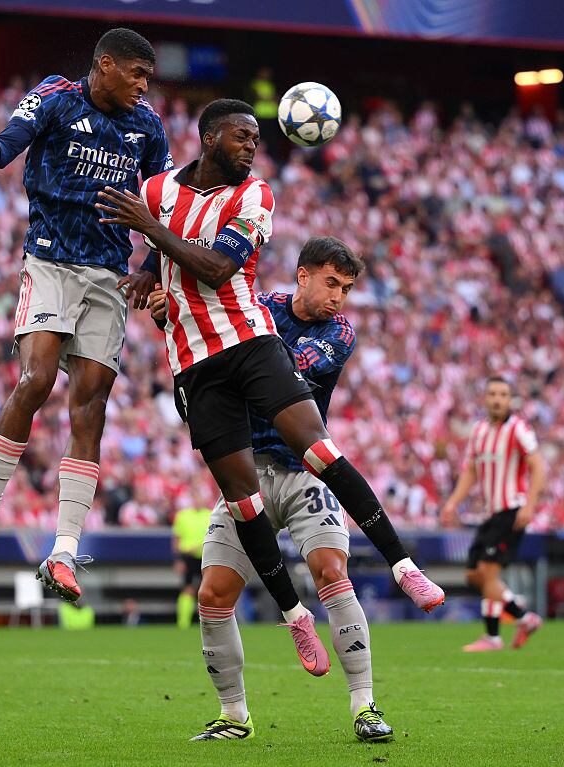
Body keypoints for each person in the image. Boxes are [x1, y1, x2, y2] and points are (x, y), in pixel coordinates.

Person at [98, 99, 444, 679]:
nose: (252, 148)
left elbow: (216, 269)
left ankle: (403, 566)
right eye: (243, 137)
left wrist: (151, 234)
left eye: (257, 140)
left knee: (320, 451)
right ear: (211, 137)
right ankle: (294, 616)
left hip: (250, 347)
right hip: (195, 363)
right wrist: (148, 277)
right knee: (242, 502)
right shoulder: (157, 191)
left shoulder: (255, 196)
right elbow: (166, 253)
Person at [0, 28, 174, 603]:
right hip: (50, 262)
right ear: (106, 65)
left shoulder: (147, 126)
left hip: (108, 274)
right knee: (38, 378)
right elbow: (7, 145)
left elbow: (165, 205)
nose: (143, 86)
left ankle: (65, 551)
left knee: (91, 405)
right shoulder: (55, 96)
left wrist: (151, 264)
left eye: (147, 78)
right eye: (136, 74)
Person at [151, 236, 396, 742]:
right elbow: (207, 332)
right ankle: (233, 715)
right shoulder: (259, 307)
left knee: (331, 571)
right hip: (248, 473)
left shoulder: (338, 333)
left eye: (347, 288)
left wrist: (230, 341)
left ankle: (365, 706)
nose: (338, 297)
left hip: (305, 472)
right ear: (303, 275)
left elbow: (280, 365)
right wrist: (169, 311)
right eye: (331, 283)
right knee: (213, 592)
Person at [441, 376, 546, 651]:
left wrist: (530, 506)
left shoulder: (518, 428)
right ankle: (522, 618)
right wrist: (452, 503)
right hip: (491, 514)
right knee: (474, 575)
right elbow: (470, 471)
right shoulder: (479, 431)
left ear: (510, 400)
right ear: (485, 398)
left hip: (511, 509)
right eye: (493, 394)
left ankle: (495, 635)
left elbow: (538, 466)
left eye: (503, 394)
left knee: (487, 574)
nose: (497, 399)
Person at [171, 489, 209, 629]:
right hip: (188, 556)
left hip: (206, 556)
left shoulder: (210, 514)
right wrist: (178, 559)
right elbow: (176, 538)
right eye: (196, 497)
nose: (198, 501)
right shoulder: (183, 516)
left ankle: (207, 622)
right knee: (188, 588)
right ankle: (183, 623)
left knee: (207, 590)